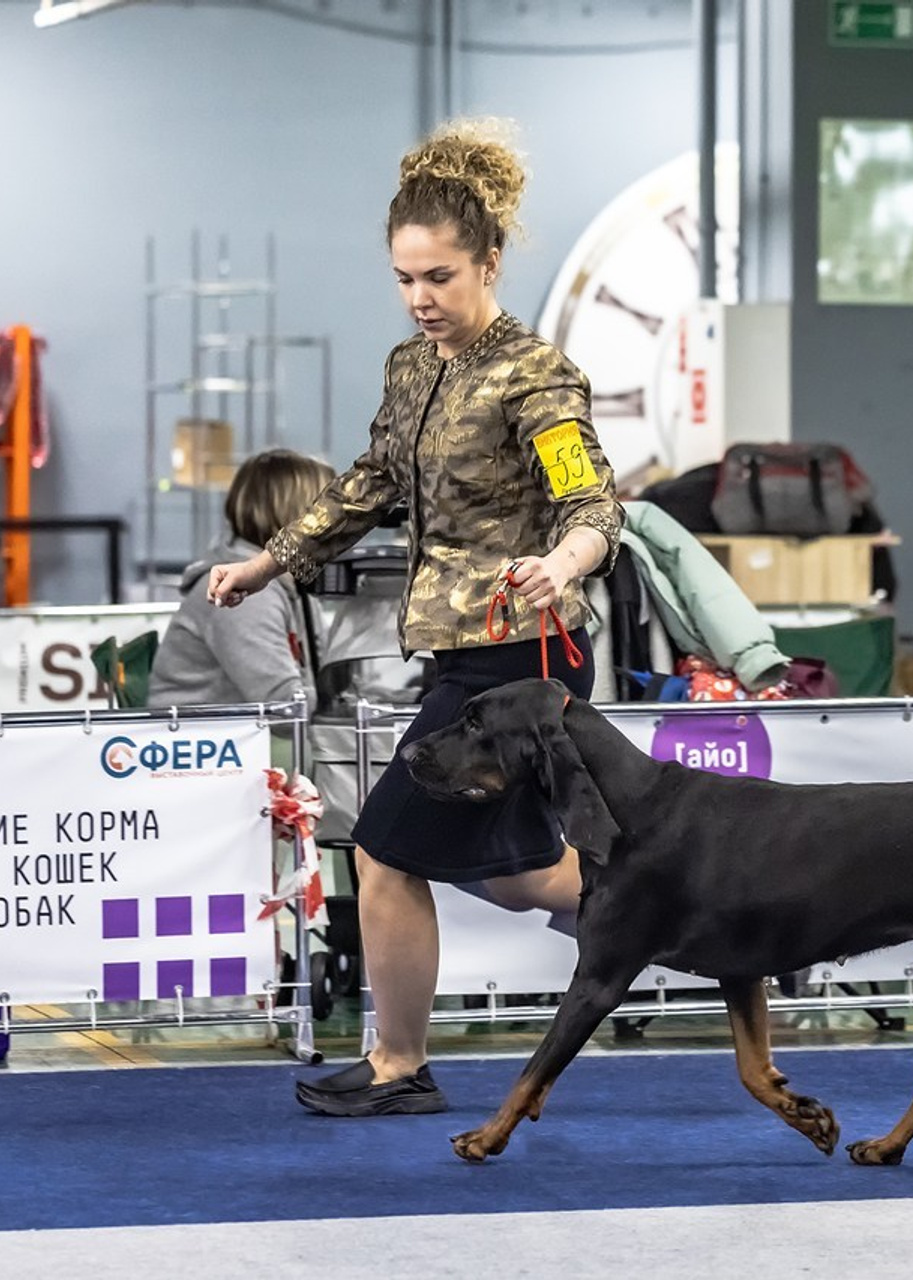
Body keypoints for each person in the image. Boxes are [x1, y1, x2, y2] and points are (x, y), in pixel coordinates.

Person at [207, 117, 624, 1117]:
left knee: (387, 847)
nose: (419, 297)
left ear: (486, 262)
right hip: (461, 656)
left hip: (525, 659)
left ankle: (400, 1065)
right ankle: (667, 905)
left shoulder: (537, 377)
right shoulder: (409, 369)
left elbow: (590, 503)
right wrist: (270, 559)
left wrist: (559, 563)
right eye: (403, 278)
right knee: (523, 874)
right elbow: (368, 483)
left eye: (438, 275)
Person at [149, 448, 336, 715]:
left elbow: (319, 678)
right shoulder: (245, 594)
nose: (338, 527)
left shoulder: (291, 584)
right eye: (328, 513)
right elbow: (285, 707)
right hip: (203, 749)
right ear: (296, 516)